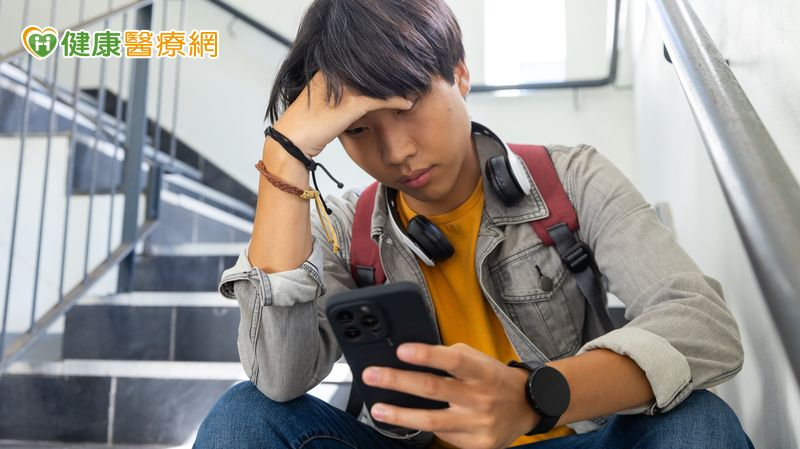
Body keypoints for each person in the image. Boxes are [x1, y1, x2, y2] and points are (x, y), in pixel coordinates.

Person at [193, 0, 753, 448]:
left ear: (459, 73)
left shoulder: (570, 179)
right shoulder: (342, 226)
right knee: (245, 416)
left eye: (407, 105)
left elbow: (703, 325)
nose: (397, 151)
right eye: (358, 129)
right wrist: (283, 156)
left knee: (698, 420)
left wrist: (534, 398)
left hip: (567, 435)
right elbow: (279, 378)